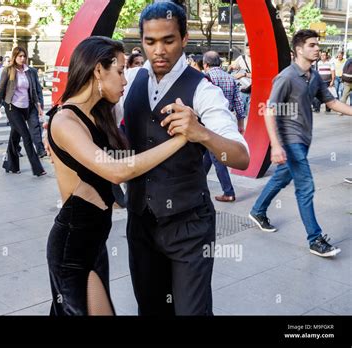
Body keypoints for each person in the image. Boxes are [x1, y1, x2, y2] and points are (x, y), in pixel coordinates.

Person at [118, 2, 249, 315]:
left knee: (192, 311)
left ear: (185, 38)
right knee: (151, 309)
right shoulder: (130, 79)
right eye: (150, 42)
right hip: (141, 220)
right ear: (142, 42)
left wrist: (200, 132)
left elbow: (241, 157)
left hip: (189, 224)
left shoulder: (203, 89)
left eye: (168, 40)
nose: (159, 50)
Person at [46, 36, 191, 316]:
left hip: (94, 243)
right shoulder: (65, 120)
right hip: (71, 249)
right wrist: (180, 140)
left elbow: (123, 161)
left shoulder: (99, 116)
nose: (125, 81)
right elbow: (116, 171)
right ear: (98, 70)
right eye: (121, 70)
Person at [249, 29, 352, 257]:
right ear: (298, 49)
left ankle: (257, 210)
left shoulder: (313, 76)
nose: (318, 48)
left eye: (318, 45)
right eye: (312, 45)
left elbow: (333, 102)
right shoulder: (286, 77)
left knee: (281, 178)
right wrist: (276, 146)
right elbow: (269, 111)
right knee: (305, 187)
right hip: (290, 141)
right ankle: (315, 239)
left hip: (304, 140)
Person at [0, 46, 46, 176]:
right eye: (20, 56)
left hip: (26, 107)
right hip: (12, 107)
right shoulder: (8, 70)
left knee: (14, 136)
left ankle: (9, 165)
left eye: (24, 56)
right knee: (26, 136)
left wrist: (39, 107)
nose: (22, 59)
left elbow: (33, 91)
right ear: (15, 57)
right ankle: (37, 169)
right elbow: (0, 90)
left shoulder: (29, 71)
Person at [202, 51, 245, 202]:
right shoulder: (230, 78)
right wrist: (241, 124)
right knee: (209, 155)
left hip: (210, 123)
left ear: (205, 64)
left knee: (216, 157)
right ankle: (197, 184)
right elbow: (239, 103)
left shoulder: (205, 79)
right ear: (220, 63)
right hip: (228, 121)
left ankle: (228, 192)